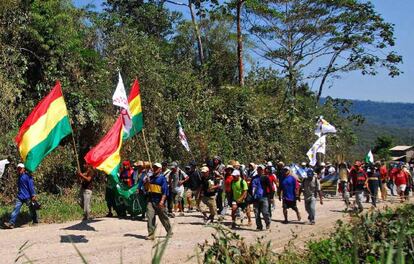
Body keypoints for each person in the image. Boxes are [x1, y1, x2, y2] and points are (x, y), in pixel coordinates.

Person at [4, 163, 38, 229]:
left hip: (27, 196)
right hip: (20, 197)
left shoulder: (27, 176)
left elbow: (31, 186)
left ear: (23, 169)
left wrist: (33, 195)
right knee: (16, 209)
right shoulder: (19, 177)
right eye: (18, 168)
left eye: (20, 168)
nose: (19, 170)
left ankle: (35, 221)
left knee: (31, 209)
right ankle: (11, 223)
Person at [143, 163, 172, 240]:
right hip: (150, 200)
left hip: (159, 201)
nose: (155, 169)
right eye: (154, 167)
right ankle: (151, 234)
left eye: (157, 168)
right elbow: (146, 188)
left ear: (160, 169)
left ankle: (169, 231)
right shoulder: (150, 178)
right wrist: (147, 182)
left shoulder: (162, 179)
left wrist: (162, 201)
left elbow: (165, 192)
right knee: (150, 217)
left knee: (163, 217)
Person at [250, 165, 271, 230]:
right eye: (258, 169)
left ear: (263, 170)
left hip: (264, 197)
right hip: (255, 198)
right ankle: (259, 226)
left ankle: (267, 222)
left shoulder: (265, 178)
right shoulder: (254, 178)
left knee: (265, 212)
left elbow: (270, 187)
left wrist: (270, 196)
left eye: (261, 169)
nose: (259, 170)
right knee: (256, 213)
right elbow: (250, 187)